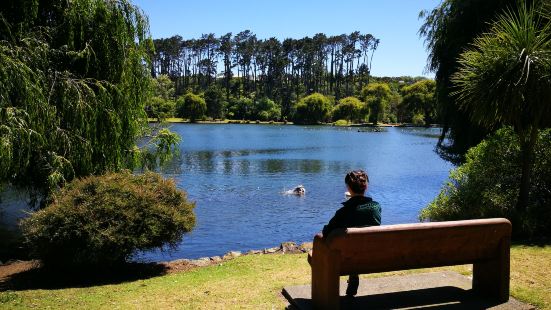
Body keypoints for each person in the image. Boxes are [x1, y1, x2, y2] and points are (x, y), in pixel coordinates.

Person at [321, 170, 381, 297]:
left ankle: (325, 294)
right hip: (373, 256)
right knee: (357, 247)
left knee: (343, 249)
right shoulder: (376, 208)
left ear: (348, 188)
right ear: (366, 186)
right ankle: (353, 278)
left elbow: (326, 232)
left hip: (346, 258)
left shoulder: (344, 212)